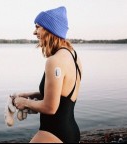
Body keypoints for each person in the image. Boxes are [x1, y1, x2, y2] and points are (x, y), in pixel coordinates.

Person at [12, 6, 82, 143]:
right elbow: (62, 95)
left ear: (50, 29)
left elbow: (50, 107)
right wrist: (30, 95)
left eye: (37, 27)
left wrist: (24, 102)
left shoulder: (54, 61)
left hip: (53, 134)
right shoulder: (73, 56)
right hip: (71, 132)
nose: (34, 32)